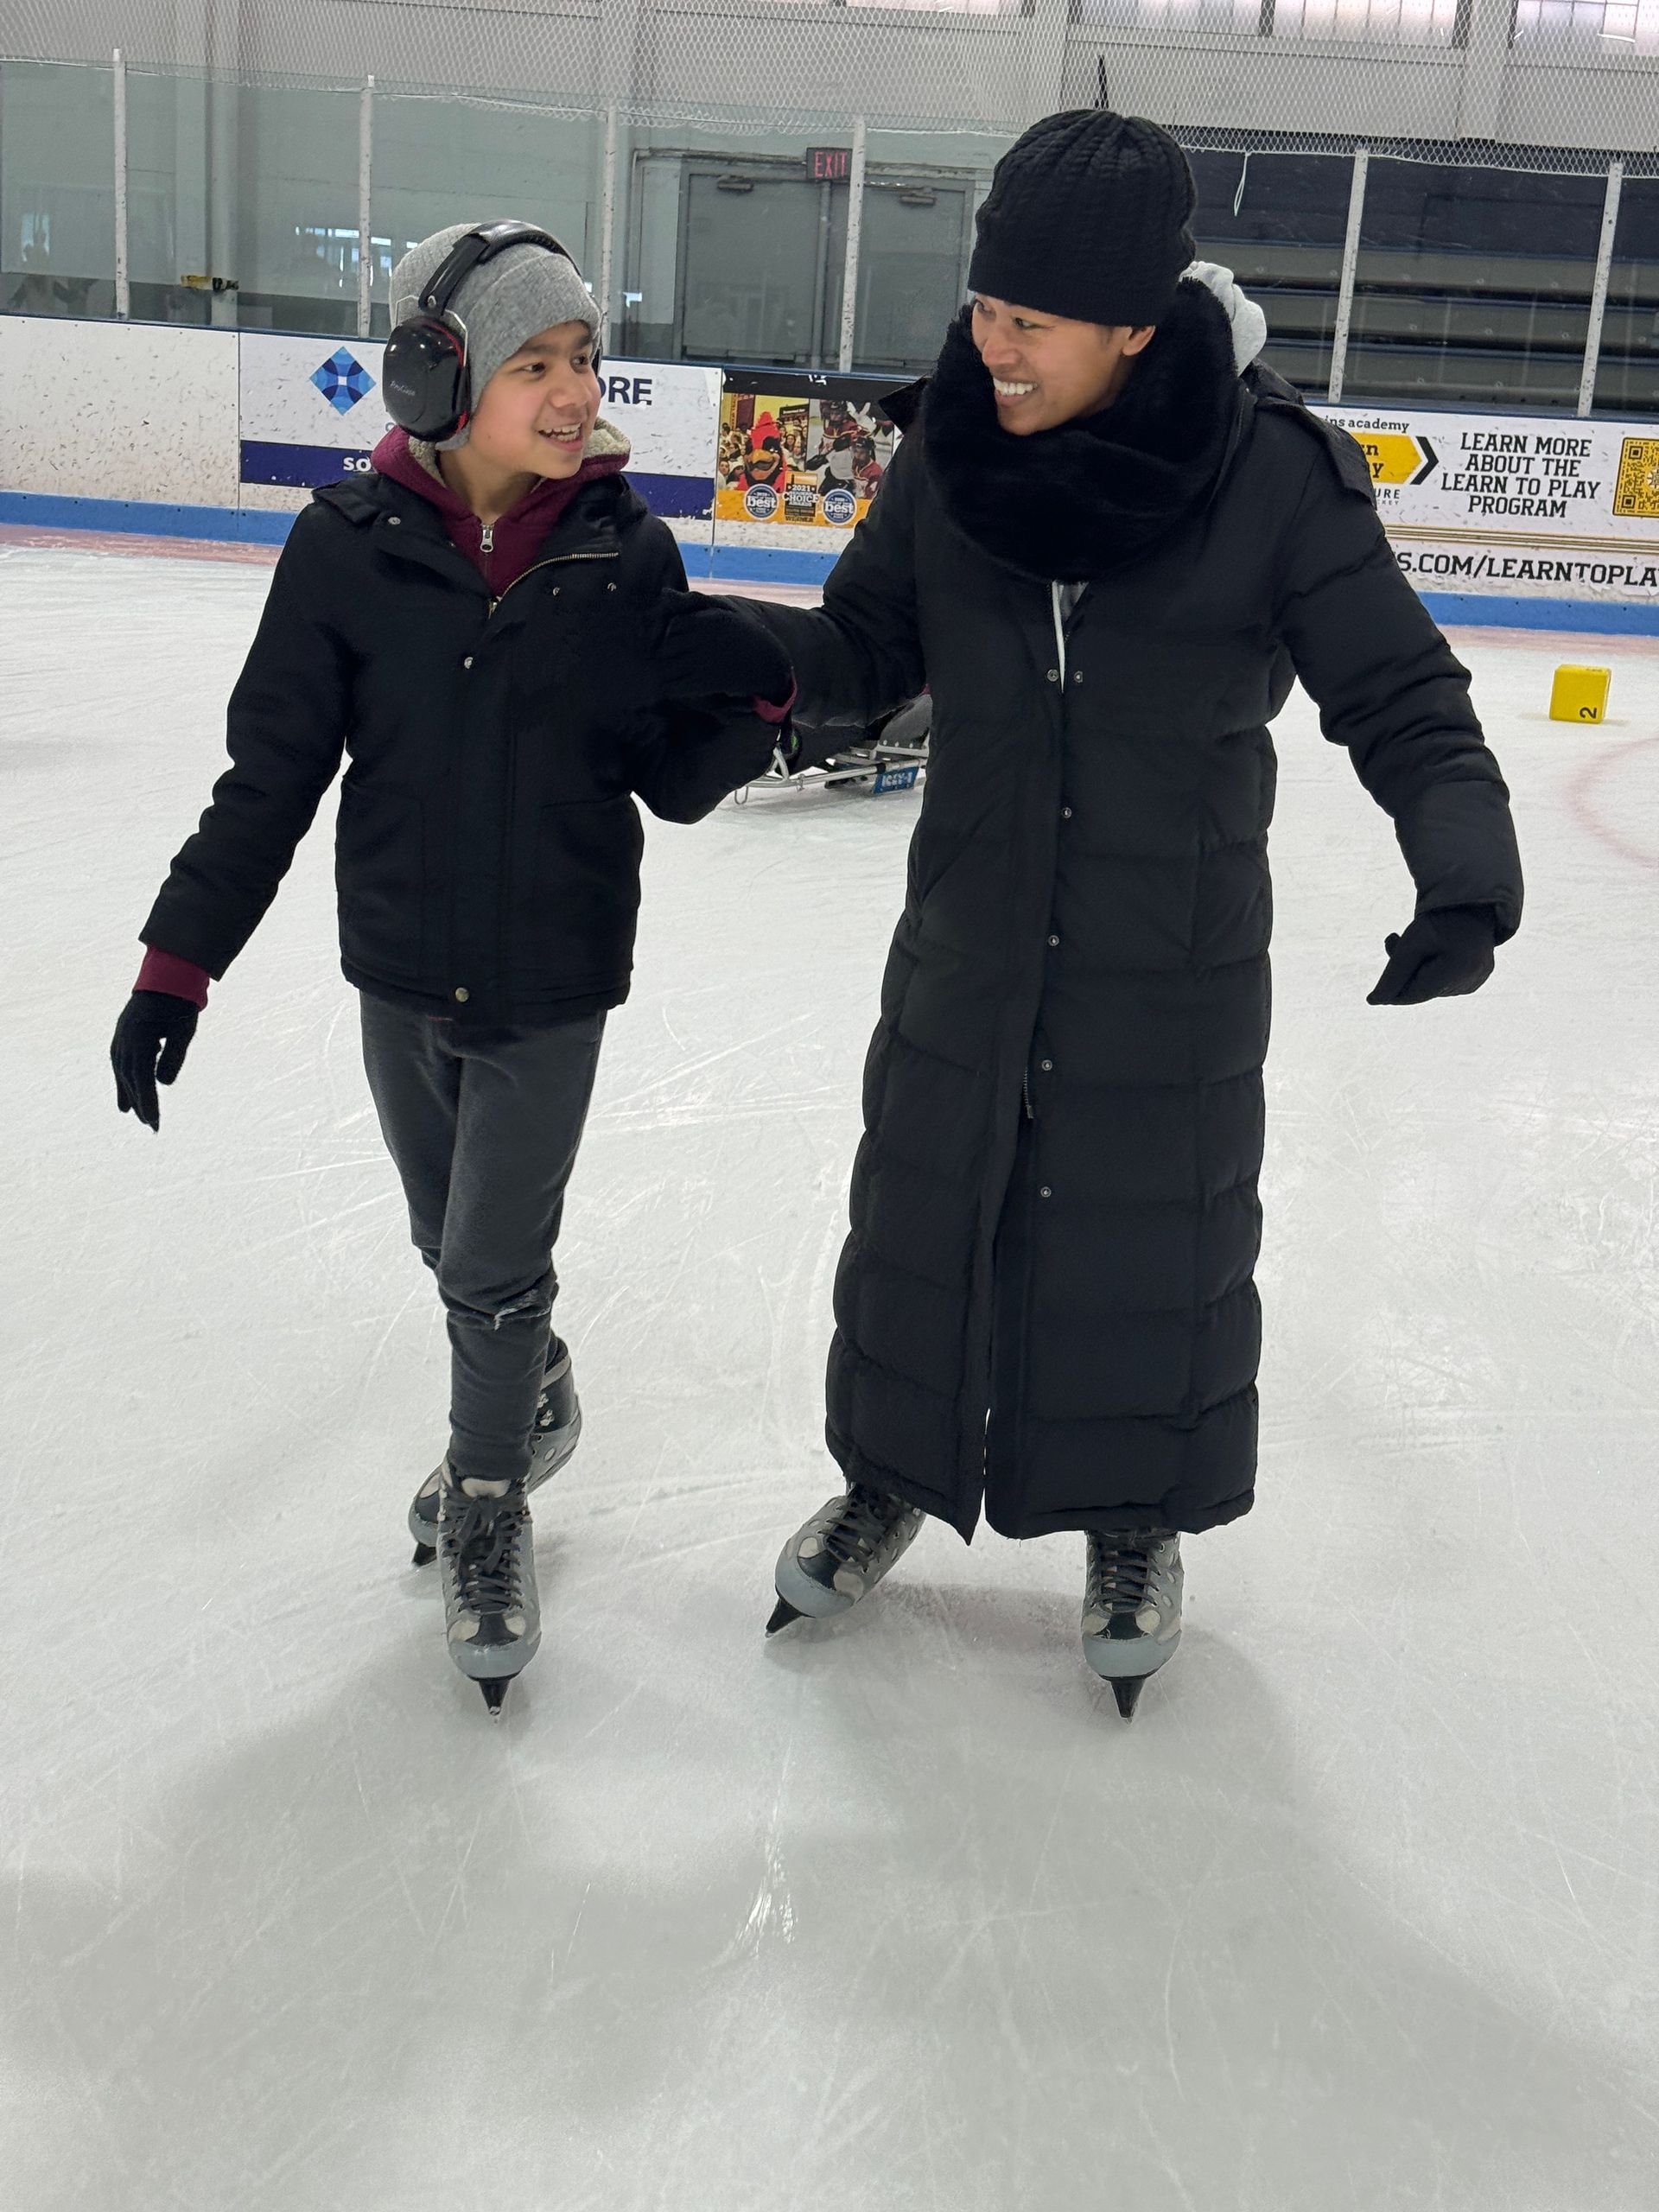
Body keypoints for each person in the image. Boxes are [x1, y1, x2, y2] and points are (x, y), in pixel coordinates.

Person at [671, 110, 1524, 1717]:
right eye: (985, 307)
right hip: (971, 938)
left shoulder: (1269, 476)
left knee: (1146, 1249)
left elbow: (1402, 691)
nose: (991, 346)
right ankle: (890, 1478)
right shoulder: (956, 452)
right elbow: (867, 649)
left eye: (1032, 322)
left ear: (1135, 325)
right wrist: (738, 654)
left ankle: (1135, 1520)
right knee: (924, 1224)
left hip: (1168, 962)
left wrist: (1465, 865)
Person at [109, 222, 796, 1715]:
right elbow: (271, 780)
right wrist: (177, 965)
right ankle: (532, 1388)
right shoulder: (345, 548)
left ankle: (488, 1496)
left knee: (489, 1267)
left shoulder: (626, 552)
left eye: (585, 359)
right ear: (441, 374)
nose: (577, 391)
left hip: (552, 979)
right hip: (402, 971)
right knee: (449, 1243)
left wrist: (760, 709)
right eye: (536, 363)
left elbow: (670, 778)